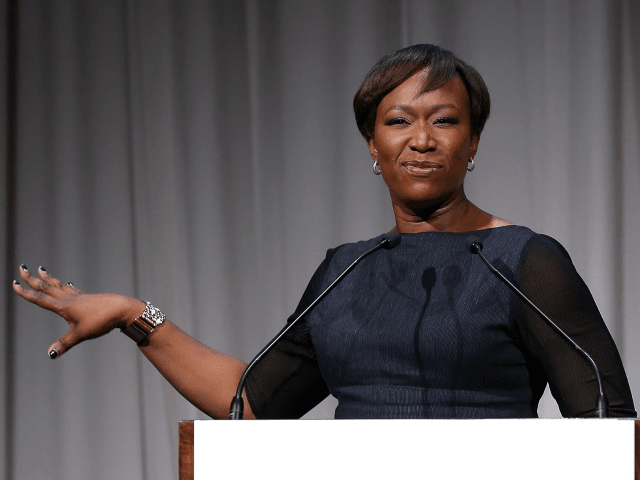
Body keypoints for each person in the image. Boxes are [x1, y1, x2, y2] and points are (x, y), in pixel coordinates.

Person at [12, 44, 636, 419]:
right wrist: (132, 315)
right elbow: (249, 404)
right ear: (373, 144)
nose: (421, 140)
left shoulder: (523, 260)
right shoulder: (347, 270)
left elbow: (607, 423)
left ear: (472, 143)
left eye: (444, 121)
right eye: (398, 121)